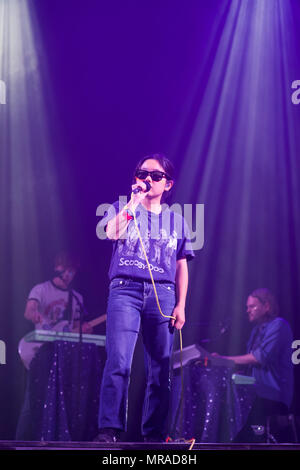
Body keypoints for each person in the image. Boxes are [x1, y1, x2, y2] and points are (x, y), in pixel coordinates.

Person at [95, 153, 194, 442]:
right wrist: (133, 202)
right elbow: (111, 234)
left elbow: (181, 265)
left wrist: (181, 304)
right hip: (125, 290)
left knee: (161, 368)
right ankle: (109, 430)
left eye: (156, 175)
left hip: (162, 294)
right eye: (142, 174)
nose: (148, 179)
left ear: (168, 183)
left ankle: (155, 435)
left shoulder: (177, 221)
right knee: (120, 361)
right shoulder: (122, 207)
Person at [16, 251, 93, 440]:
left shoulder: (77, 299)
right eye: (64, 268)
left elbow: (75, 329)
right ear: (56, 267)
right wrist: (34, 314)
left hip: (63, 355)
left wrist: (84, 329)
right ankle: (20, 441)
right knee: (32, 399)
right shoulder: (41, 290)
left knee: (61, 400)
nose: (68, 274)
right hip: (40, 351)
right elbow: (29, 310)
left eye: (72, 270)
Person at [214, 288, 294, 441]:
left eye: (252, 306)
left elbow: (259, 358)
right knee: (224, 390)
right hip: (254, 389)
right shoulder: (255, 331)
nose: (247, 310)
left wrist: (223, 360)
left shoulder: (279, 325)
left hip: (272, 392)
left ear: (267, 307)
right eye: (247, 307)